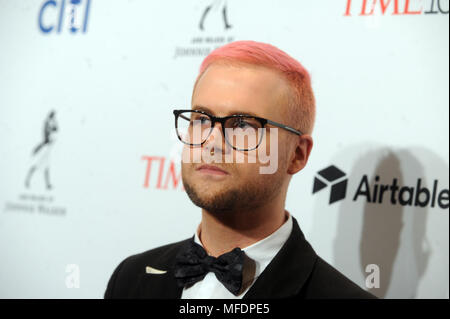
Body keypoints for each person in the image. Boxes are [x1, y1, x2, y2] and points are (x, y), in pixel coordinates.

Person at [104, 40, 376, 299]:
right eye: (201, 119)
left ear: (297, 154)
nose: (212, 142)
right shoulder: (130, 279)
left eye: (243, 125)